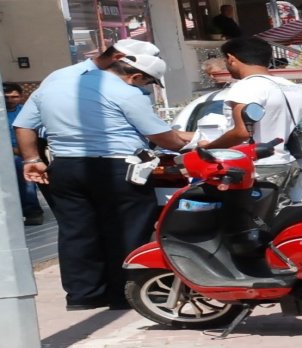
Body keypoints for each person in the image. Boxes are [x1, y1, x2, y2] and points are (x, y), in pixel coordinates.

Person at [13, 54, 191, 311]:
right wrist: (195, 141)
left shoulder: (55, 84)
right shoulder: (125, 92)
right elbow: (165, 139)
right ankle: (124, 295)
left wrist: (31, 158)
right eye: (147, 83)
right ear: (136, 76)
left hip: (65, 167)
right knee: (127, 230)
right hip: (118, 167)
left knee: (76, 232)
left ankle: (84, 296)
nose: (144, 88)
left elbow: (23, 125)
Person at [19, 38, 161, 209]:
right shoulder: (66, 77)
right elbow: (27, 121)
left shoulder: (121, 81)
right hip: (77, 159)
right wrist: (31, 158)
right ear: (118, 57)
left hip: (108, 162)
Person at [198, 37, 302, 208]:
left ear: (231, 58)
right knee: (275, 220)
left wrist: (209, 149)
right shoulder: (290, 86)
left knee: (247, 223)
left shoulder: (246, 87)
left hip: (256, 166)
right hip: (284, 163)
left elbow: (241, 132)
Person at [3, 83, 44, 225]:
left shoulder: (26, 113)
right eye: (6, 97)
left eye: (14, 96)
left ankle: (32, 211)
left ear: (22, 96)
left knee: (24, 168)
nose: (10, 100)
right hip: (6, 153)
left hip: (24, 155)